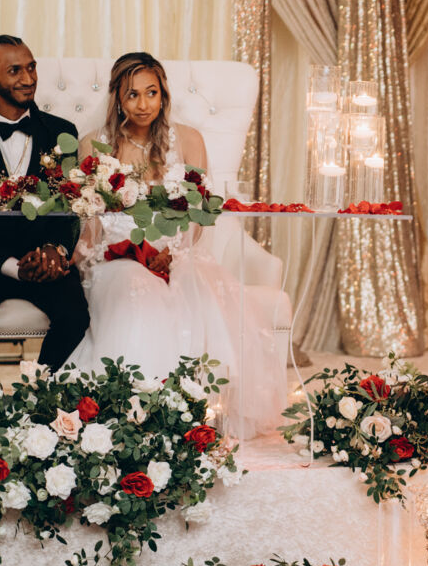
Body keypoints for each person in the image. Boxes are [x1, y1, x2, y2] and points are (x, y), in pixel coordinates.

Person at [65, 52, 285, 439]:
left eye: (151, 92)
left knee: (195, 287)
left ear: (164, 93)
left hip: (177, 253)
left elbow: (198, 217)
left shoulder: (189, 140)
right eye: (132, 94)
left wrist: (175, 253)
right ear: (117, 98)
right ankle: (136, 411)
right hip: (117, 257)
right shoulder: (93, 145)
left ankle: (189, 411)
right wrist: (72, 261)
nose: (143, 104)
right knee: (138, 288)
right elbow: (92, 224)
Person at [0, 34, 89, 375]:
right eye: (15, 70)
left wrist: (55, 250)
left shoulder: (62, 133)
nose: (28, 78)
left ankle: (38, 393)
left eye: (31, 67)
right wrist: (12, 266)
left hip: (45, 262)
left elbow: (73, 209)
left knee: (75, 316)